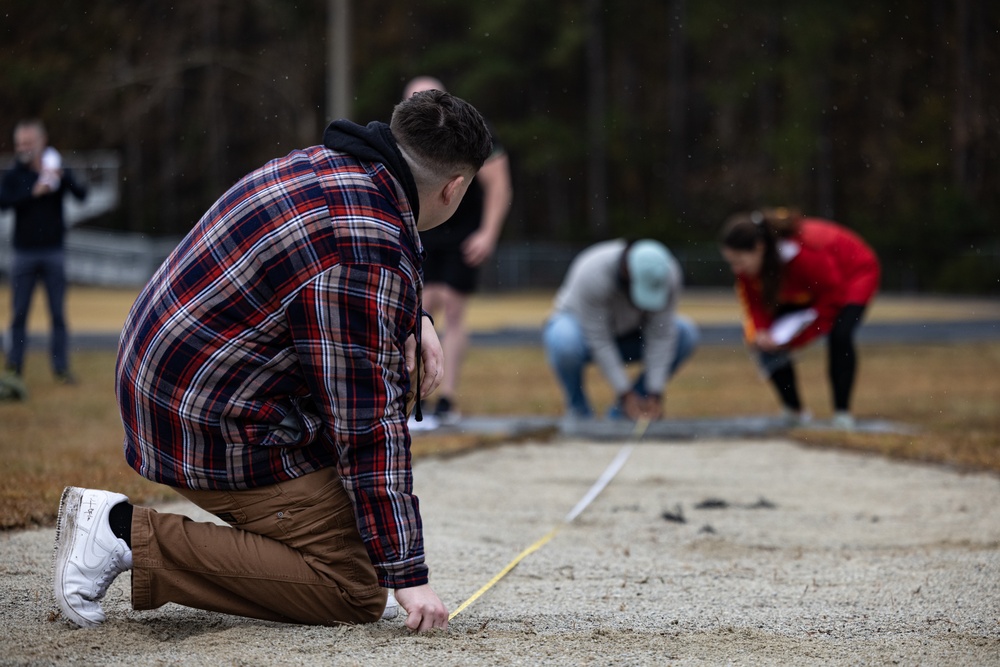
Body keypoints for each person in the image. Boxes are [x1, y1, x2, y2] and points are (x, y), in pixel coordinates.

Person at [52, 90, 493, 632]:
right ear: (454, 188)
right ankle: (122, 535)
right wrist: (408, 572)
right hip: (200, 414)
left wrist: (413, 318)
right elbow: (365, 421)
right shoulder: (361, 249)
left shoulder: (337, 167)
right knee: (351, 586)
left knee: (356, 519)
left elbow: (339, 270)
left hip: (169, 375)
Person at [402, 76, 512, 427]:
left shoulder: (474, 132)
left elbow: (499, 185)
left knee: (452, 309)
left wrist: (488, 233)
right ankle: (411, 398)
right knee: (417, 308)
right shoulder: (399, 135)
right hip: (422, 228)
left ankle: (445, 398)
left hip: (462, 231)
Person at [718, 207, 881, 429]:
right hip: (812, 288)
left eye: (739, 260)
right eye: (731, 262)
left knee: (840, 335)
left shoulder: (804, 254)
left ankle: (842, 414)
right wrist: (762, 330)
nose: (736, 268)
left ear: (759, 248)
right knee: (763, 341)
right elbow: (755, 304)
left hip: (853, 274)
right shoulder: (748, 269)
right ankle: (794, 411)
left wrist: (793, 340)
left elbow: (832, 298)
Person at [543, 239, 699, 421]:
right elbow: (599, 339)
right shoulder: (592, 271)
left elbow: (661, 336)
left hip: (630, 332)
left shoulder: (668, 274)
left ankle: (626, 412)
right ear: (626, 273)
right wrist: (625, 393)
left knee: (685, 333)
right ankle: (580, 413)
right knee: (564, 341)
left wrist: (654, 392)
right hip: (582, 332)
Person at [0, 120, 88, 388]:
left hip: (54, 252)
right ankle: (14, 367)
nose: (23, 149)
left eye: (28, 143)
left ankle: (61, 369)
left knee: (58, 314)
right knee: (18, 314)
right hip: (23, 253)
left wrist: (64, 177)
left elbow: (82, 195)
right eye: (19, 144)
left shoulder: (56, 169)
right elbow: (4, 203)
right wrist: (33, 192)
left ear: (41, 142)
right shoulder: (14, 174)